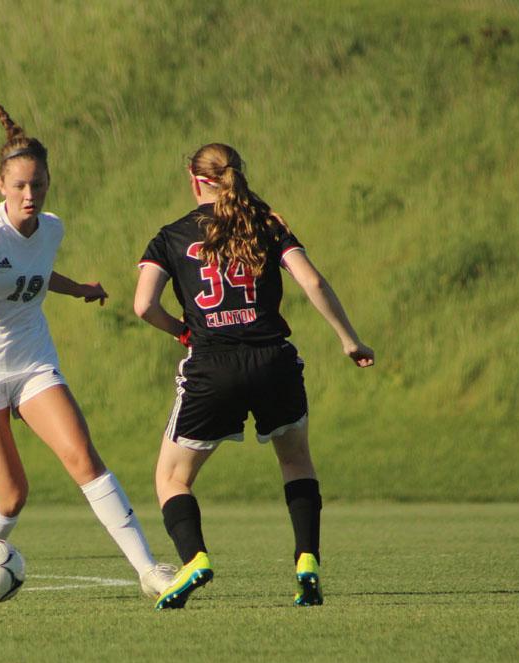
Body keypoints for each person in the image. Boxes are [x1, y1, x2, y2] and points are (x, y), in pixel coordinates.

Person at [0, 94, 176, 601]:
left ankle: (148, 571)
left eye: (38, 184)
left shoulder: (52, 228)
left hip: (32, 363)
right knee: (12, 495)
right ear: (1, 187)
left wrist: (79, 289)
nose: (30, 194)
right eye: (20, 185)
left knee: (83, 458)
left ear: (49, 184)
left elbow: (35, 272)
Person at [133, 143, 374, 610]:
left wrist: (183, 330)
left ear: (194, 177)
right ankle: (307, 561)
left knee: (171, 478)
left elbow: (143, 306)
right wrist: (349, 339)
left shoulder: (171, 235)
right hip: (273, 362)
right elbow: (313, 283)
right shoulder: (267, 222)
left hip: (212, 366)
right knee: (296, 463)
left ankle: (194, 558)